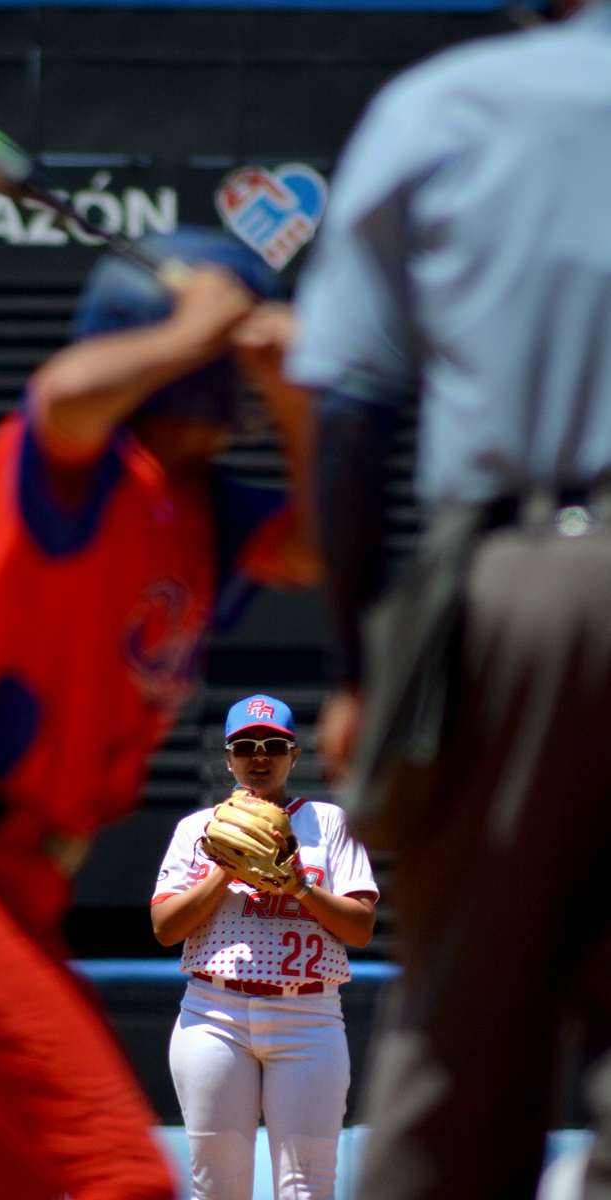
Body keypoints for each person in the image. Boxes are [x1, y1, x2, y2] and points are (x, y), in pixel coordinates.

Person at [0, 228, 320, 1200]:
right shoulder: (78, 468)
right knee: (116, 1177)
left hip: (9, 880)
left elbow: (320, 550)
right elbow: (63, 399)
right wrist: (200, 326)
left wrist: (292, 390)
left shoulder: (202, 510)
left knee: (12, 1184)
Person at [285, 4, 611, 1198]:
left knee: (462, 1035)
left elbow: (353, 414)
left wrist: (364, 673)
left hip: (523, 575)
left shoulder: (447, 105)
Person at [151, 693, 378, 1200]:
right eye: (246, 745)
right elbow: (165, 927)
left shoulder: (329, 823)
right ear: (228, 756)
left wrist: (298, 885)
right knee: (217, 1188)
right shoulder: (196, 829)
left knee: (307, 1189)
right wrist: (224, 868)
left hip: (309, 1016)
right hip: (214, 1013)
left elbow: (361, 928)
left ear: (294, 755)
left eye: (273, 745)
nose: (259, 756)